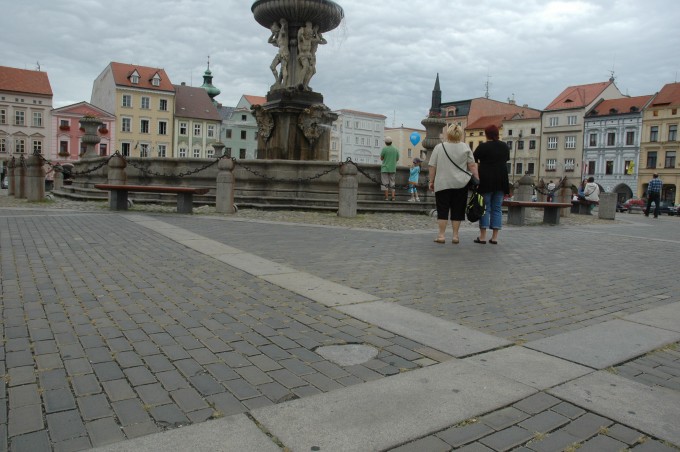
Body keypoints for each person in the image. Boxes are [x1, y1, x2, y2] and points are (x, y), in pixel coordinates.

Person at [428, 124, 479, 244]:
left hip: (442, 183)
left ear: (448, 134)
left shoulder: (439, 147)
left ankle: (441, 235)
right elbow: (472, 165)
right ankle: (455, 236)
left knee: (442, 209)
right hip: (461, 184)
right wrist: (476, 178)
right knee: (458, 210)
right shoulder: (465, 147)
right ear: (460, 134)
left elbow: (432, 165)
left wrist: (432, 181)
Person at [473, 125, 510, 245]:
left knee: (485, 207)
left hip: (486, 180)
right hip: (501, 180)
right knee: (497, 208)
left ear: (486, 134)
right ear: (497, 134)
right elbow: (506, 159)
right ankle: (494, 237)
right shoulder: (504, 146)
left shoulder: (483, 147)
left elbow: (474, 158)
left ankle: (482, 236)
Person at [380, 137, 399, 201]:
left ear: (385, 142)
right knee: (392, 183)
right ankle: (393, 197)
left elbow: (381, 158)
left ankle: (386, 197)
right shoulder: (395, 149)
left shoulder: (384, 149)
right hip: (393, 168)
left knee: (385, 183)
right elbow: (397, 158)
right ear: (391, 142)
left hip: (385, 168)